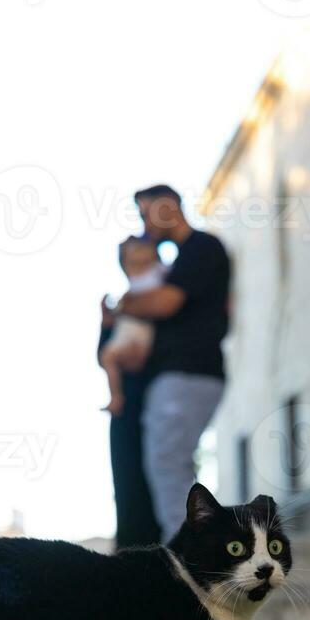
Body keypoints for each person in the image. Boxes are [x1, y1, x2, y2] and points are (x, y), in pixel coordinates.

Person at [117, 184, 230, 541]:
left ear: (166, 206)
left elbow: (165, 304)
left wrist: (123, 305)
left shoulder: (202, 247)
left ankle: (190, 555)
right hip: (182, 378)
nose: (143, 224)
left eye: (145, 211)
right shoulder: (180, 258)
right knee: (170, 465)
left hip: (188, 375)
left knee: (168, 465)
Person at [98, 295, 160, 550]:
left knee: (156, 482)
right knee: (127, 487)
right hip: (126, 414)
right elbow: (104, 356)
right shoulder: (122, 315)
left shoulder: (154, 306)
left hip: (153, 406)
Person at [100, 236, 163, 416]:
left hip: (139, 335)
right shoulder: (134, 288)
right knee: (108, 357)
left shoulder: (157, 276)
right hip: (128, 334)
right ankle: (116, 397)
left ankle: (116, 397)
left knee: (109, 357)